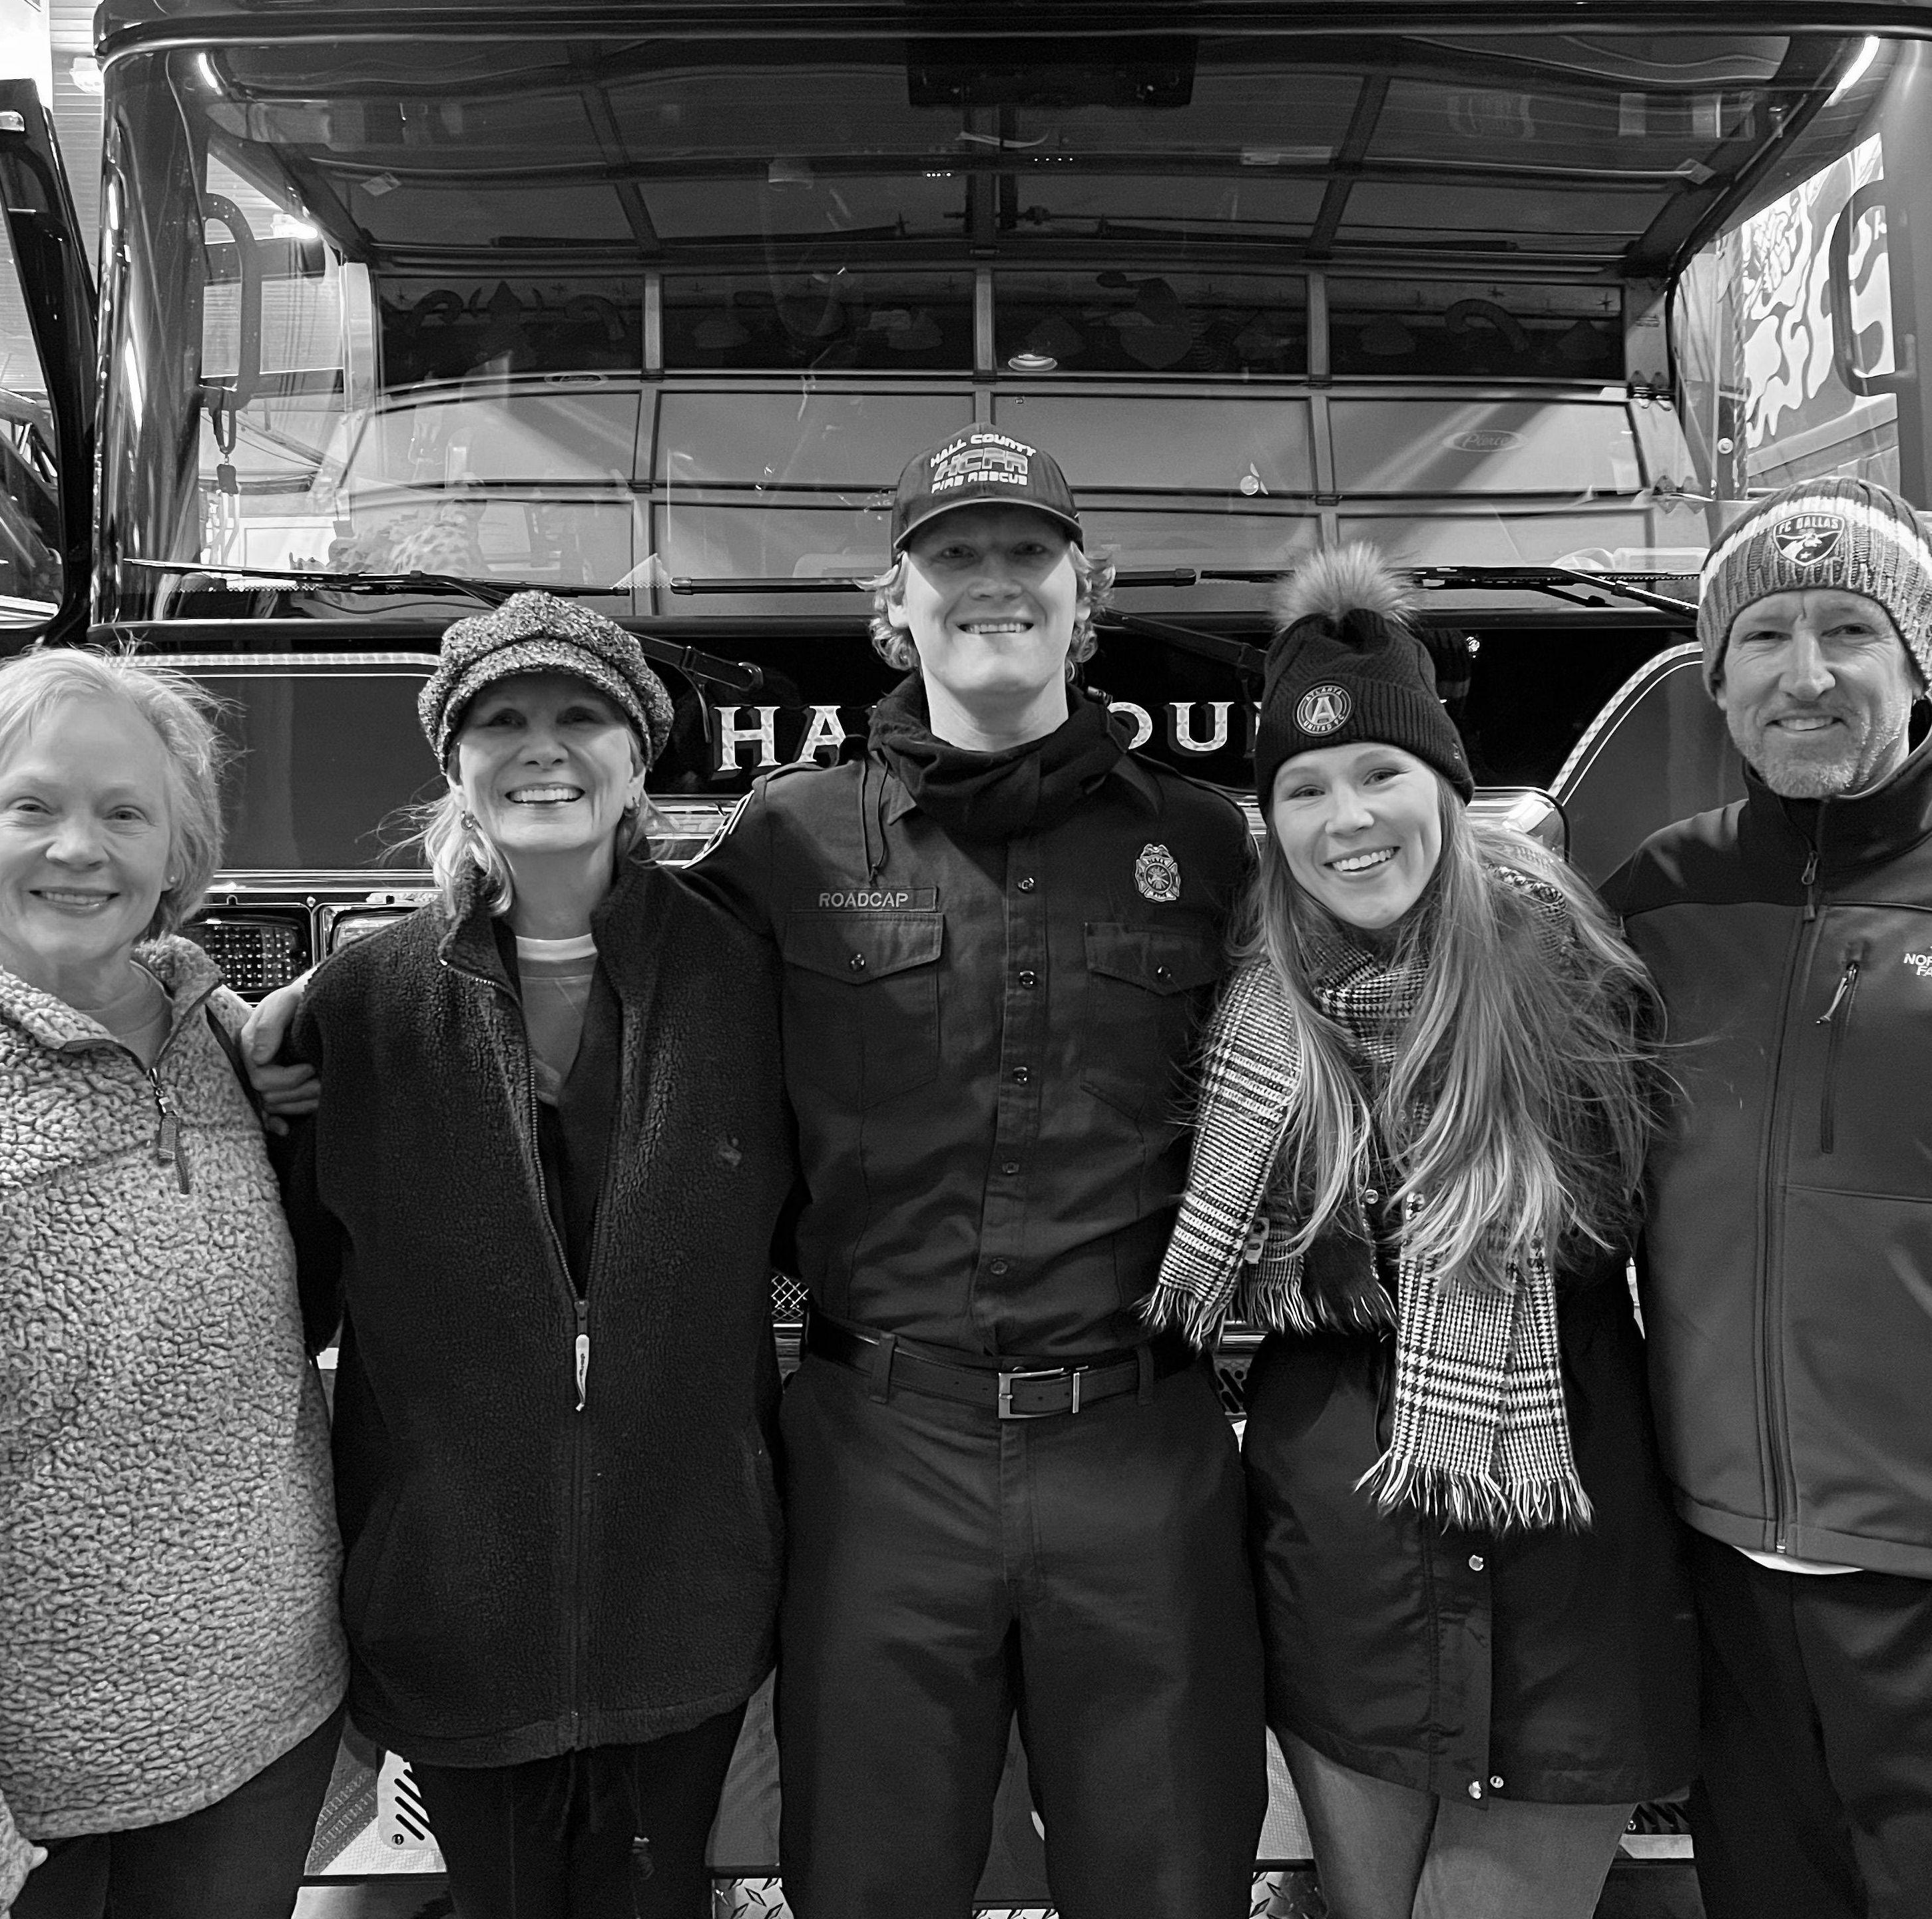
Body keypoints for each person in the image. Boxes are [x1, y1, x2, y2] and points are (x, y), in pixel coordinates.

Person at [684, 424, 1268, 1918]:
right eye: (955, 556)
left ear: (1089, 594)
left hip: (1141, 1446)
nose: (991, 584)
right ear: (897, 603)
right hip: (882, 1455)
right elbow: (637, 1043)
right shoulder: (787, 842)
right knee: (868, 1886)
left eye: (1028, 554)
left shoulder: (1210, 850)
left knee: (1173, 1886)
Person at [1148, 547, 1696, 1919]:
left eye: (1383, 774)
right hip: (1350, 1591)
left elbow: (1641, 1241)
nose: (1350, 819)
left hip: (1565, 1573)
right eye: (1305, 788)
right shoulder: (1248, 1020)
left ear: (1448, 791)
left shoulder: (1579, 983)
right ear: (1269, 820)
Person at [276, 594, 792, 1919]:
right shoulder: (362, 1002)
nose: (541, 749)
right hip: (455, 1613)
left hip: (684, 1599)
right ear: (455, 761)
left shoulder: (747, 984)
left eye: (580, 719)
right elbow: (288, 1297)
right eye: (502, 721)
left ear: (640, 761)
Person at [0, 649, 346, 1919]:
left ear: (180, 856)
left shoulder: (226, 1042)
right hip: (17, 1796)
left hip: (265, 1734)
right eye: (32, 806)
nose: (80, 849)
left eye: (125, 814)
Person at [1602, 477, 1932, 1919]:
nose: (1808, 674)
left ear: (1916, 664)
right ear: (1717, 683)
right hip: (1725, 1567)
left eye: (1851, 630)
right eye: (1768, 637)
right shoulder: (1653, 902)